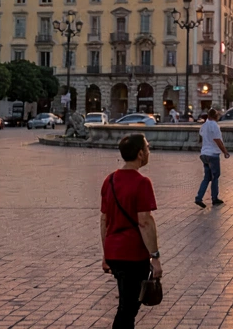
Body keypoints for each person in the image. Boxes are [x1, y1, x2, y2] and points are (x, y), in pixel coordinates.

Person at [100, 134, 162, 329]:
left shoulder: (109, 181)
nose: (149, 152)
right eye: (148, 148)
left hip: (114, 252)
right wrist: (155, 256)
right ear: (140, 153)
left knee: (128, 305)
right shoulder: (142, 182)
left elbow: (104, 220)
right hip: (132, 254)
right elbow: (145, 221)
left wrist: (106, 254)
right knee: (128, 308)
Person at [195, 109, 230, 208]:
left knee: (207, 177)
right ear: (216, 116)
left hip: (204, 154)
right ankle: (214, 198)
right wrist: (225, 152)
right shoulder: (214, 125)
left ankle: (199, 197)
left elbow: (201, 138)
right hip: (213, 154)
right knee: (215, 177)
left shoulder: (204, 125)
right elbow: (217, 140)